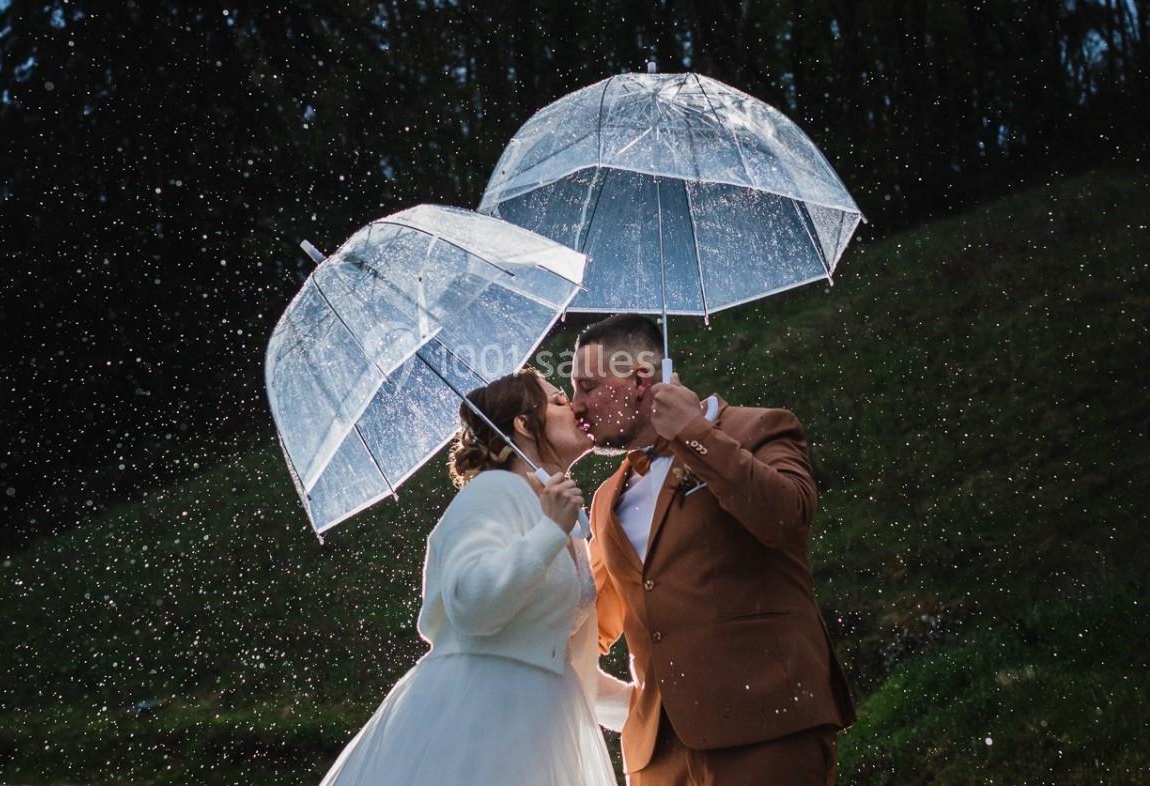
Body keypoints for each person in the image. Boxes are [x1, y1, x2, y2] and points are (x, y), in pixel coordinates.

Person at [570, 314, 856, 786]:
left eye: (588, 387)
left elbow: (786, 519)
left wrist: (694, 434)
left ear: (640, 381)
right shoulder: (605, 499)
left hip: (767, 729)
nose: (576, 405)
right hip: (657, 755)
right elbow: (593, 623)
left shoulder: (758, 428)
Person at [318, 368, 631, 786]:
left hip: (541, 732)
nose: (574, 406)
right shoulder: (492, 492)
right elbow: (470, 605)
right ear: (524, 425)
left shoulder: (565, 522)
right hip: (479, 719)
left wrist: (649, 711)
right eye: (558, 401)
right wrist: (548, 531)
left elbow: (568, 664)